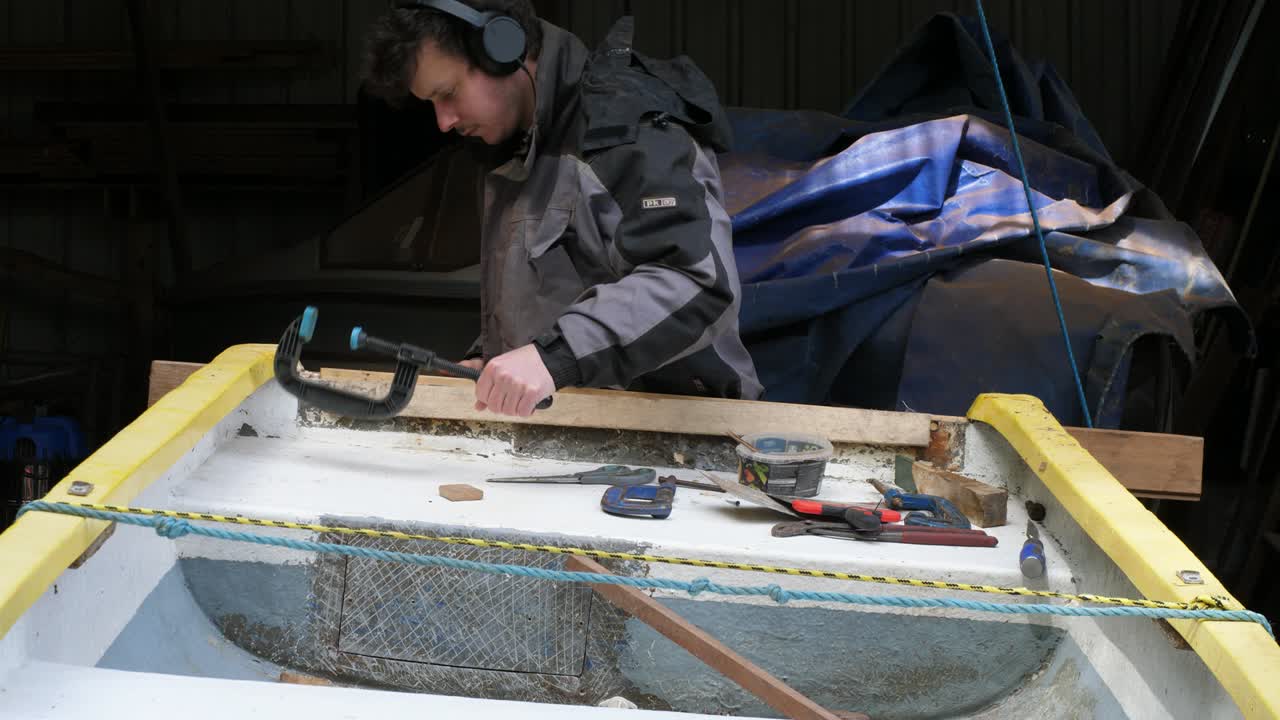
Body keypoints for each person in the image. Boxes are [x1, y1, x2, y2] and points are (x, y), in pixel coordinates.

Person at [361, 0, 762, 417]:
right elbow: (551, 290)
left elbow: (696, 281)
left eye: (447, 94)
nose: (443, 122)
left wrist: (553, 357)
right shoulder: (513, 149)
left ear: (500, 49)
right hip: (587, 420)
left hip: (687, 425)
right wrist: (495, 360)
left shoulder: (625, 134)